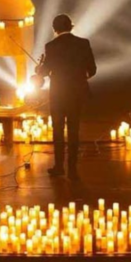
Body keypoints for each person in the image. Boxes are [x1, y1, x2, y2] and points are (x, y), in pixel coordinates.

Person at [35, 14, 97, 181]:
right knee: (73, 130)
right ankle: (73, 169)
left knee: (58, 130)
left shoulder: (51, 46)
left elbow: (44, 71)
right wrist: (79, 77)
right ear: (71, 26)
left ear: (54, 29)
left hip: (58, 94)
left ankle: (59, 166)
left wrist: (39, 68)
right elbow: (92, 69)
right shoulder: (84, 43)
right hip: (77, 93)